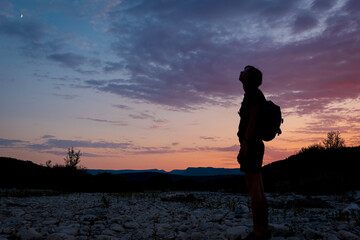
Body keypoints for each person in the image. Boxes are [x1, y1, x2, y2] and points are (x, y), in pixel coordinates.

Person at [236, 65, 271, 240]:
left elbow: (253, 121)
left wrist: (245, 145)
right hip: (254, 144)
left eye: (246, 70)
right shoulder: (252, 94)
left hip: (251, 145)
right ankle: (264, 230)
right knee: (259, 190)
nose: (242, 71)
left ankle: (258, 232)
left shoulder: (254, 95)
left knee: (254, 191)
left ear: (251, 78)